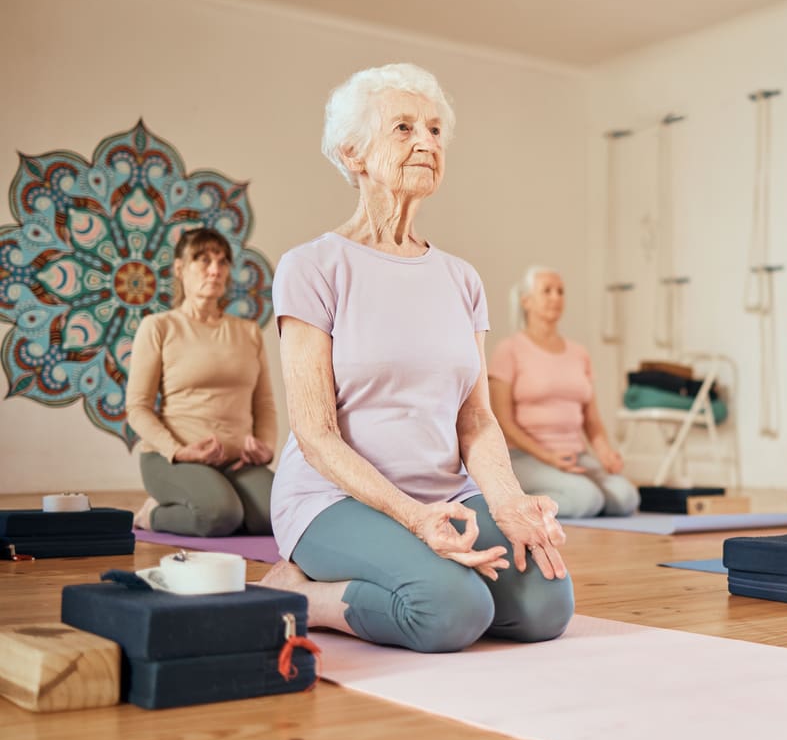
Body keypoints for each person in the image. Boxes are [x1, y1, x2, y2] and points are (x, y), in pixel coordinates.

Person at [258, 63, 573, 653]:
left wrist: (509, 502)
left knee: (544, 606)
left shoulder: (461, 278)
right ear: (353, 153)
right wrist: (413, 518)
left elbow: (475, 419)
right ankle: (302, 594)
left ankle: (415, 563)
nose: (426, 141)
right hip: (334, 499)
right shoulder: (313, 267)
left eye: (433, 129)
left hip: (444, 493)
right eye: (402, 128)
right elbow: (317, 433)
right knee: (450, 610)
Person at [125, 228, 276, 536]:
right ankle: (151, 514)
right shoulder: (159, 327)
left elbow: (264, 404)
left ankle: (229, 502)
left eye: (222, 261)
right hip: (172, 459)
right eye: (203, 260)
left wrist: (266, 449)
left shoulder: (248, 332)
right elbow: (137, 407)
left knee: (280, 516)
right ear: (180, 268)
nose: (215, 269)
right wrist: (179, 451)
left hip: (236, 463)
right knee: (219, 515)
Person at [488, 267, 639, 518]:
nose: (556, 297)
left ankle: (570, 494)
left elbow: (591, 420)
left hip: (574, 457)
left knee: (626, 499)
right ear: (526, 301)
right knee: (586, 500)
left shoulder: (578, 353)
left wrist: (605, 453)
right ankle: (517, 507)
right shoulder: (509, 349)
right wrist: (548, 457)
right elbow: (502, 421)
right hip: (524, 457)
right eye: (546, 291)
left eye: (560, 291)